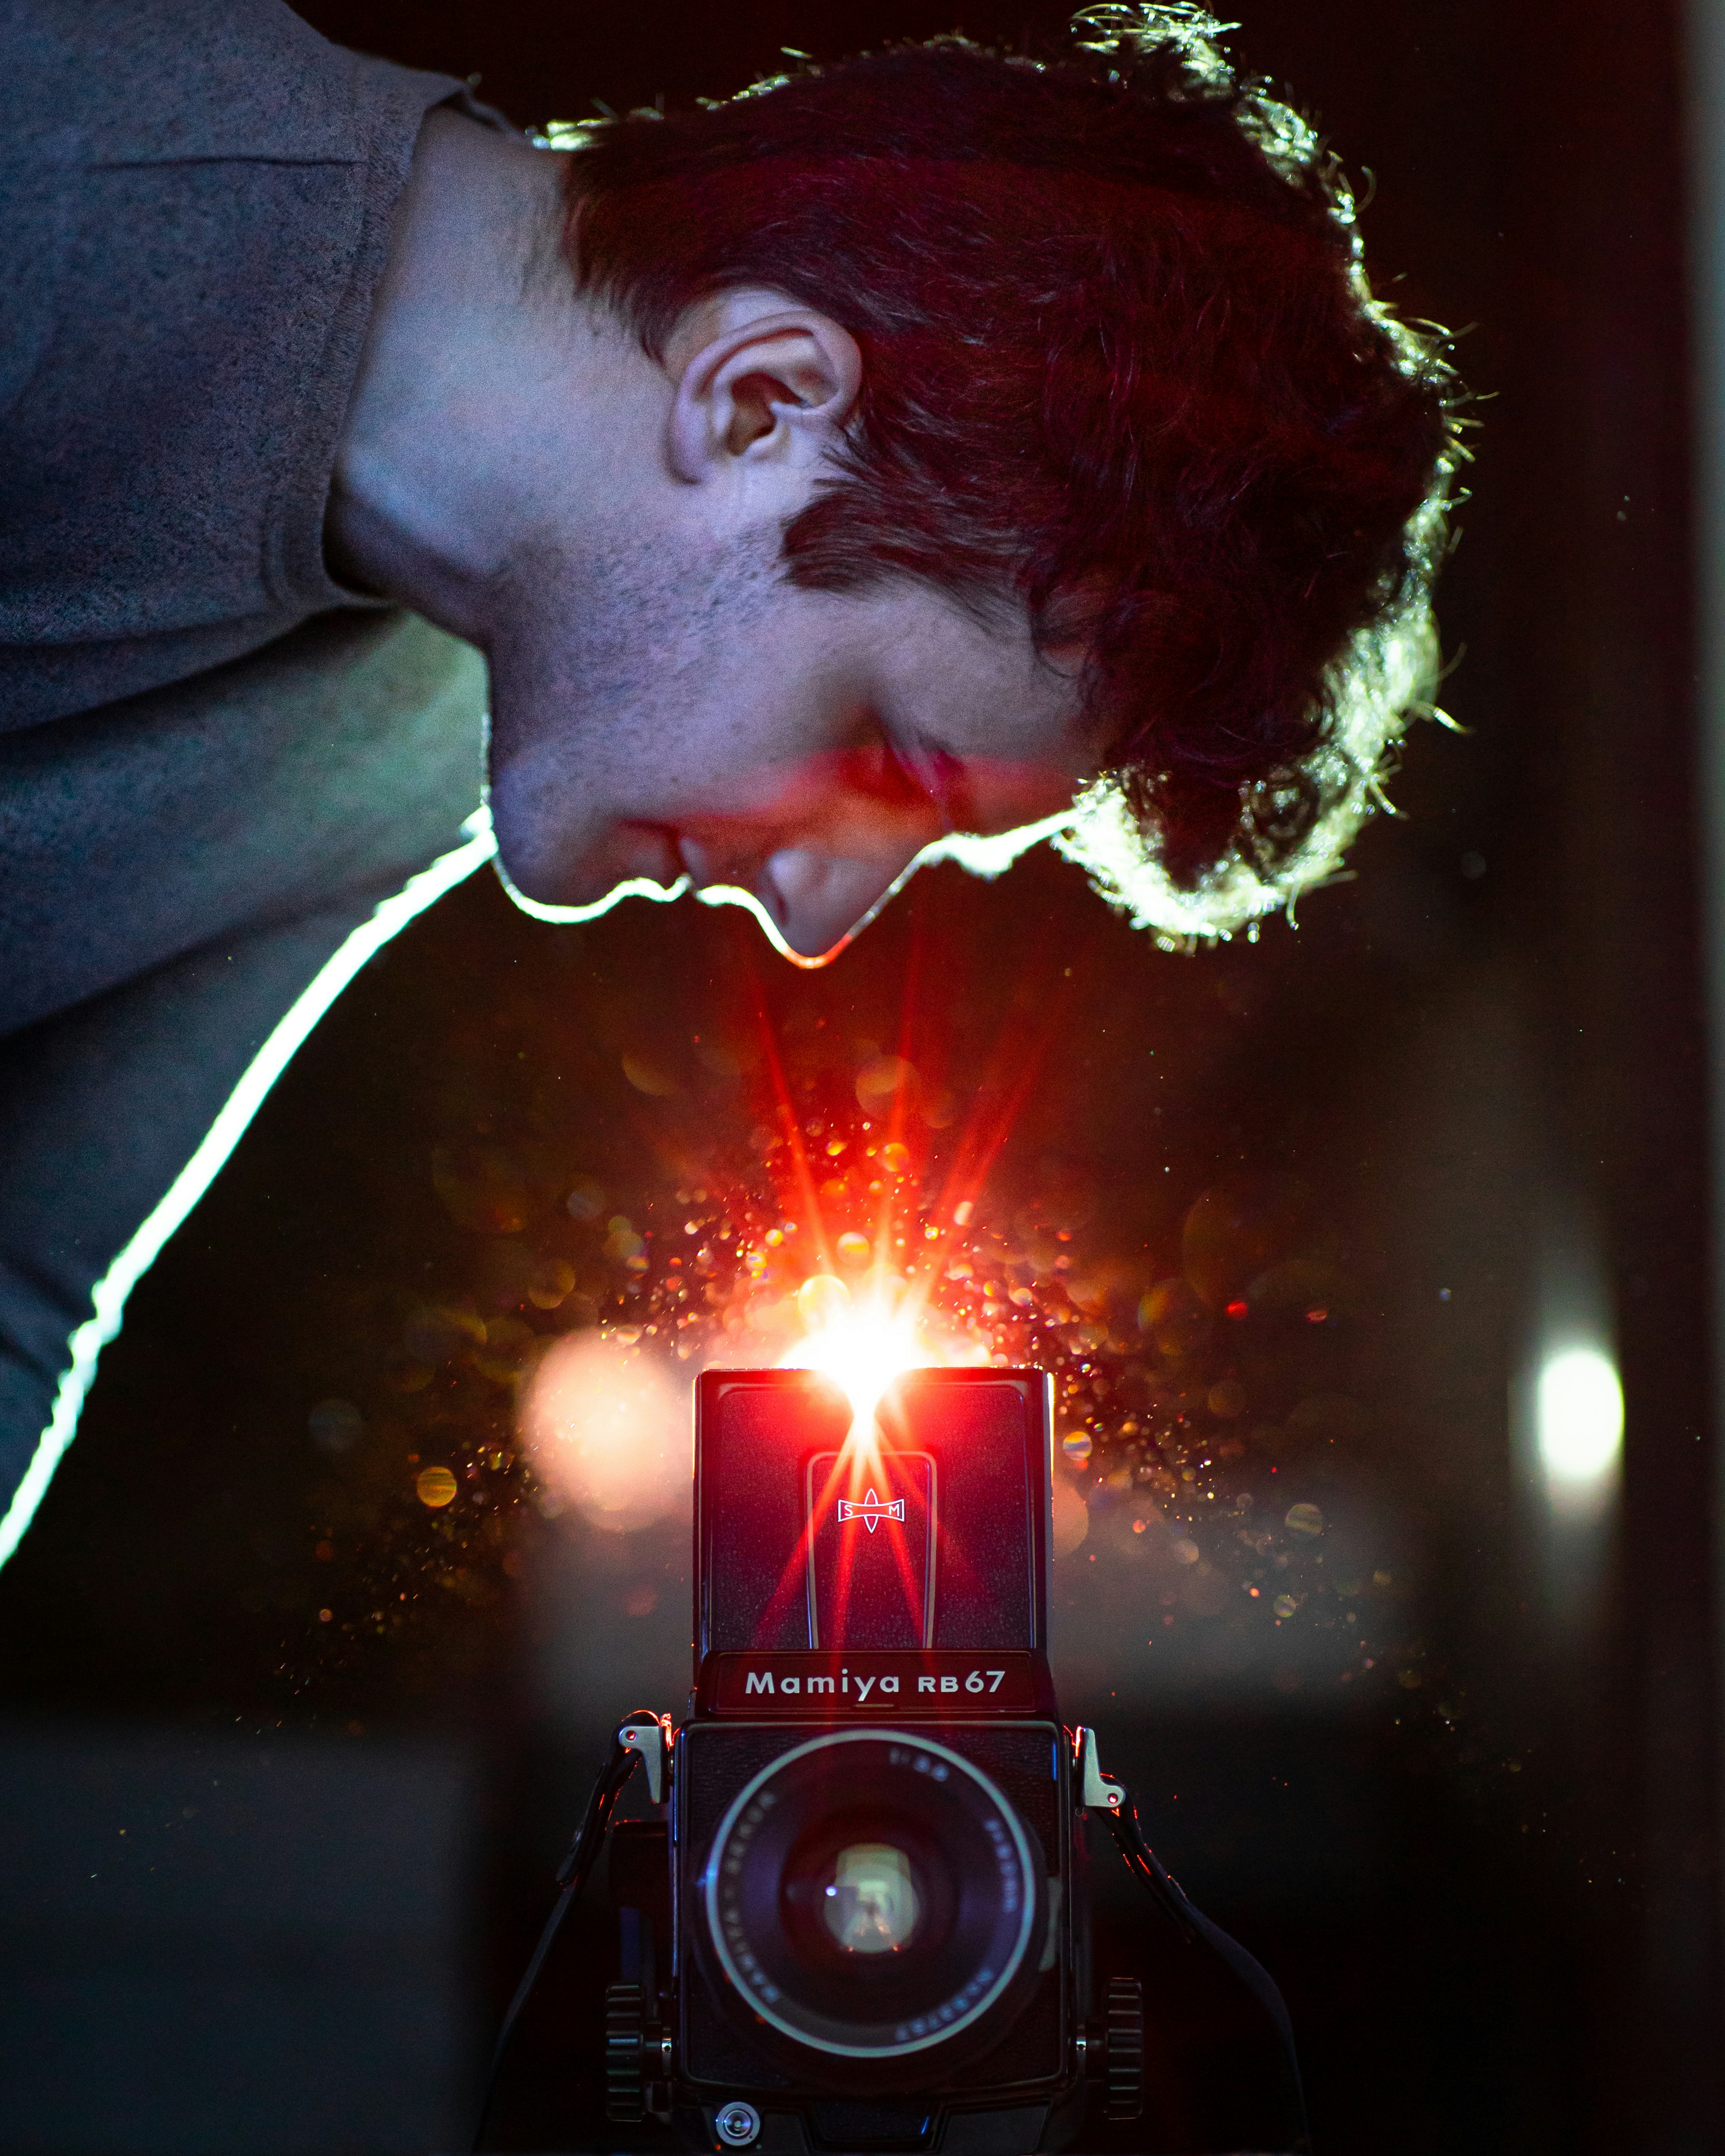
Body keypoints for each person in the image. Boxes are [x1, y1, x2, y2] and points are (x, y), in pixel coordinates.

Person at [0, 0, 1458, 1555]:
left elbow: (17, 1270)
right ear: (757, 396)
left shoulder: (445, 714)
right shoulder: (63, 175)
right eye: (886, 756)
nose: (818, 923)